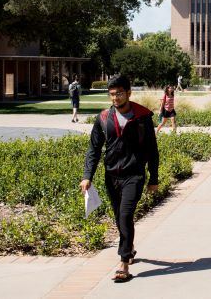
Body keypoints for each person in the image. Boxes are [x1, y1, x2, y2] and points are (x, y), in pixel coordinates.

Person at [80, 74, 159, 283]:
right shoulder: (104, 118)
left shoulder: (142, 117)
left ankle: (123, 262)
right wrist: (87, 176)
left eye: (120, 93)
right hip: (111, 176)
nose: (115, 98)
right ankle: (129, 247)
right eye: (112, 94)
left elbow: (152, 150)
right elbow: (94, 149)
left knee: (125, 216)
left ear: (129, 93)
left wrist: (154, 178)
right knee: (119, 218)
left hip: (134, 175)